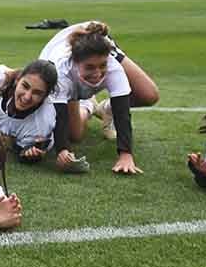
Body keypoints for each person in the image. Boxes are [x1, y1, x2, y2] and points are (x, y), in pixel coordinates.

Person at [39, 21, 159, 175]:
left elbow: (122, 113)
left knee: (149, 95)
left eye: (102, 65)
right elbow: (59, 117)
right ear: (75, 63)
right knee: (74, 134)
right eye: (90, 67)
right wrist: (63, 151)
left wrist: (126, 155)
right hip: (66, 74)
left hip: (93, 37)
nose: (97, 73)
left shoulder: (113, 66)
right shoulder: (60, 72)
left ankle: (106, 108)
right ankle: (89, 104)